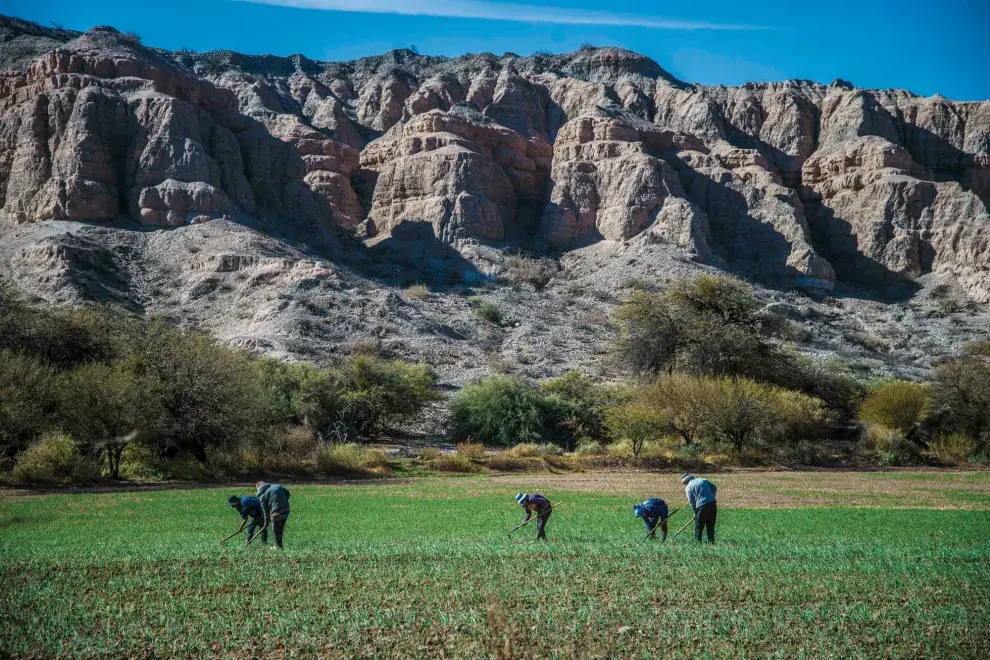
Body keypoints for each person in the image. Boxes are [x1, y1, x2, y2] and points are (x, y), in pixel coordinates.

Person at [682, 473, 717, 543]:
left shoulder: (688, 487)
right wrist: (711, 497)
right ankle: (711, 542)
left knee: (698, 526)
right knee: (710, 525)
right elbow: (714, 488)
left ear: (686, 482)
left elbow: (691, 501)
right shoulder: (703, 480)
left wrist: (695, 512)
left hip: (701, 506)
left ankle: (698, 543)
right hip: (712, 503)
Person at [256, 481, 291, 550]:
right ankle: (280, 546)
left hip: (277, 511)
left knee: (275, 530)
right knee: (280, 529)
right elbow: (288, 493)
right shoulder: (277, 486)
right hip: (286, 509)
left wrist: (265, 523)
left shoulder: (262, 496)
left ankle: (277, 546)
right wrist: (282, 501)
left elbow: (265, 512)